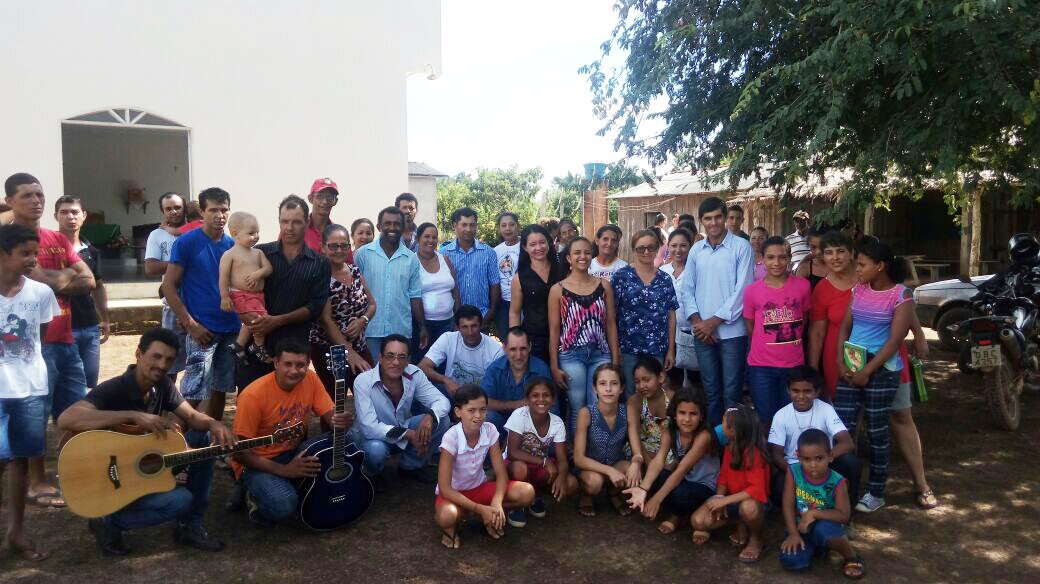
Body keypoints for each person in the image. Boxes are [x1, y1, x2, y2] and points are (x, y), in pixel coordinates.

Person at [58, 327, 233, 555]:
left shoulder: (163, 386)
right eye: (156, 356)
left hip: (142, 470)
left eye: (169, 360)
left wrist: (213, 423)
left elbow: (191, 416)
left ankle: (190, 526)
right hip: (110, 481)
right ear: (139, 354)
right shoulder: (115, 388)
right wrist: (133, 416)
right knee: (180, 500)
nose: (162, 365)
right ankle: (108, 520)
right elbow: (66, 418)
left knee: (204, 439)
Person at [5, 173, 95, 509]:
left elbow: (88, 280)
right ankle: (36, 480)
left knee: (75, 411)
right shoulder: (8, 240)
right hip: (31, 345)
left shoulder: (56, 238)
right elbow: (39, 281)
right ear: (10, 201)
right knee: (34, 414)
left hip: (66, 339)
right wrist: (65, 276)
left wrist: (56, 279)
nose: (36, 201)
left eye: (39, 194)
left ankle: (73, 470)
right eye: (27, 195)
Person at [230, 338, 350, 526]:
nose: (294, 371)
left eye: (300, 365)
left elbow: (332, 419)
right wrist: (285, 471)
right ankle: (252, 497)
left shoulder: (310, 379)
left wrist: (342, 421)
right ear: (276, 362)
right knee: (285, 504)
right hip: (258, 463)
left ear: (308, 364)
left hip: (294, 452)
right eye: (288, 364)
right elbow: (240, 454)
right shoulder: (252, 395)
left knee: (354, 436)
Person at [834, 239, 913, 513]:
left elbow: (895, 341)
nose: (857, 269)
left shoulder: (901, 295)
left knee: (876, 431)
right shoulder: (858, 289)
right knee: (842, 427)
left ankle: (876, 491)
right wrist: (840, 361)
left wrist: (868, 370)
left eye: (862, 264)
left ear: (880, 266)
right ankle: (842, 487)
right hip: (852, 362)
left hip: (882, 369)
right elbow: (845, 328)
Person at [0, 223, 59, 561]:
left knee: (21, 460)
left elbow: (41, 336)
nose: (32, 259)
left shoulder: (40, 293)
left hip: (31, 388)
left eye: (34, 253)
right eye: (24, 253)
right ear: (2, 254)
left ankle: (15, 534)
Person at [235, 196, 332, 391]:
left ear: (307, 222)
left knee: (290, 403)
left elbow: (315, 306)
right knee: (251, 398)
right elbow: (240, 289)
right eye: (285, 221)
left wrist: (278, 320)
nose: (289, 228)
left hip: (294, 350)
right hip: (257, 344)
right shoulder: (260, 254)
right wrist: (247, 316)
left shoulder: (319, 263)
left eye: (296, 222)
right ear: (279, 221)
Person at [161, 187, 238, 421]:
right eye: (213, 210)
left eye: (224, 210)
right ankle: (179, 441)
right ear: (202, 212)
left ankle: (213, 438)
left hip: (231, 329)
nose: (220, 215)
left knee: (220, 390)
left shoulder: (232, 245)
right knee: (193, 393)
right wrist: (190, 324)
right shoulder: (187, 243)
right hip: (202, 330)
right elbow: (168, 286)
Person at [681, 196, 753, 425]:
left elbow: (743, 291)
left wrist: (712, 323)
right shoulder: (696, 250)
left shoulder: (741, 247)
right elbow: (687, 289)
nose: (713, 223)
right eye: (708, 218)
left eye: (718, 217)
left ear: (725, 218)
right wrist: (699, 323)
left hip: (732, 333)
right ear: (701, 221)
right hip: (702, 333)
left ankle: (733, 442)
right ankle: (714, 440)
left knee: (732, 393)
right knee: (710, 392)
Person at [434, 384, 535, 549]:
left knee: (527, 493)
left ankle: (488, 515)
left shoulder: (489, 430)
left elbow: (501, 474)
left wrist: (497, 502)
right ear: (458, 412)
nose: (478, 415)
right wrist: (479, 508)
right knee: (447, 516)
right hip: (454, 494)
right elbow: (445, 488)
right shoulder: (451, 438)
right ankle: (456, 526)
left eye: (482, 410)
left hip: (479, 487)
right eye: (471, 410)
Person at [350, 334, 451, 486]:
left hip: (402, 427)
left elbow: (442, 401)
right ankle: (371, 474)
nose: (396, 362)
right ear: (380, 358)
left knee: (442, 420)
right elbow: (369, 428)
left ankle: (409, 465)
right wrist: (410, 434)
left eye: (402, 357)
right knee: (376, 450)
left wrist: (430, 416)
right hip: (371, 438)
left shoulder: (414, 373)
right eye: (390, 356)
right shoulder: (363, 381)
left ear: (408, 360)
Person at [548, 237, 621, 433]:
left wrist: (615, 358)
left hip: (600, 353)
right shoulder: (558, 290)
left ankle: (596, 447)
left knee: (598, 403)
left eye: (587, 252)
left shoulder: (604, 286)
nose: (583, 256)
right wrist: (554, 366)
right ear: (569, 258)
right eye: (577, 253)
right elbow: (554, 330)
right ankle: (577, 448)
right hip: (571, 355)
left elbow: (611, 324)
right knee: (577, 407)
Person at [625, 388, 720, 539]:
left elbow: (682, 470)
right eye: (682, 413)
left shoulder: (704, 436)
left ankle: (680, 514)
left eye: (693, 414)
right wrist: (643, 489)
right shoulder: (670, 430)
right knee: (653, 477)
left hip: (703, 486)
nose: (687, 419)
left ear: (701, 416)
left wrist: (656, 499)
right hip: (684, 480)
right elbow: (658, 461)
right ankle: (679, 513)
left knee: (679, 495)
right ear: (674, 414)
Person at [768, 366, 862, 507]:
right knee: (778, 487)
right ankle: (803, 507)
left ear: (816, 392)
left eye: (807, 391)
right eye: (795, 391)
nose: (801, 396)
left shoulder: (826, 409)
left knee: (851, 463)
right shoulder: (781, 415)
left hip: (825, 463)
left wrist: (823, 460)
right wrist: (798, 474)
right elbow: (776, 454)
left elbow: (847, 443)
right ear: (788, 390)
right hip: (795, 465)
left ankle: (847, 505)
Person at [778, 429, 864, 579]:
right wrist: (793, 534)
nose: (813, 465)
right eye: (806, 459)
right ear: (798, 456)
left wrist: (814, 513)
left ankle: (851, 556)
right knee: (791, 561)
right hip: (801, 528)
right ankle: (818, 549)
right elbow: (788, 504)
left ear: (830, 456)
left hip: (826, 526)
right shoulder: (793, 471)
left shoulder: (838, 482)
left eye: (819, 458)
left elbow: (844, 516)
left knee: (823, 530)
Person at [743, 236, 811, 424]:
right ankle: (768, 445)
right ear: (762, 259)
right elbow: (750, 325)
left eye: (782, 257)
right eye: (771, 257)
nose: (776, 263)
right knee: (766, 419)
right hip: (761, 367)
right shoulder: (751, 291)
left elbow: (804, 319)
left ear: (789, 258)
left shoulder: (803, 286)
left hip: (793, 365)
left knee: (791, 419)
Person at [690, 405, 770, 562]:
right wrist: (719, 497)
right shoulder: (730, 446)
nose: (721, 426)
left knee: (748, 507)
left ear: (734, 430)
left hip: (755, 502)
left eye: (724, 423)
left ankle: (756, 539)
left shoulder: (754, 453)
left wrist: (725, 501)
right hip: (732, 499)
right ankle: (740, 523)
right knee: (697, 521)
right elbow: (724, 477)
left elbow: (756, 489)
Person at [309, 223, 375, 400]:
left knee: (371, 392)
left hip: (359, 345)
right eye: (333, 246)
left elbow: (372, 305)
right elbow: (326, 321)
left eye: (344, 245)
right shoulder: (319, 277)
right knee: (335, 400)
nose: (339, 250)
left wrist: (362, 320)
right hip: (329, 350)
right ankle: (334, 421)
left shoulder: (354, 270)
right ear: (323, 247)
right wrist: (349, 353)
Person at [503, 377, 577, 527]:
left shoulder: (557, 422)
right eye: (535, 395)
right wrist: (544, 461)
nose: (541, 399)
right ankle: (517, 504)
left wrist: (562, 477)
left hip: (537, 464)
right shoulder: (520, 415)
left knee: (571, 483)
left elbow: (562, 459)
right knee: (520, 469)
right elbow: (512, 452)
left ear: (553, 400)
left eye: (546, 395)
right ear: (527, 400)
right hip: (514, 463)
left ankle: (533, 497)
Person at [613, 229, 678, 396]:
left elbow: (671, 315)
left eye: (651, 247)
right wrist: (615, 348)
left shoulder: (665, 279)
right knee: (630, 393)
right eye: (641, 248)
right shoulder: (621, 277)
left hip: (656, 347)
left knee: (654, 394)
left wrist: (671, 349)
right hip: (628, 347)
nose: (646, 252)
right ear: (634, 250)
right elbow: (612, 315)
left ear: (657, 249)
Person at [54, 196, 110, 389]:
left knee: (89, 383)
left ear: (84, 215)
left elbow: (98, 287)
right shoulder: (46, 249)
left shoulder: (91, 251)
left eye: (75, 212)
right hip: (59, 326)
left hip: (89, 325)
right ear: (56, 216)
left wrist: (105, 319)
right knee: (64, 384)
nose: (70, 217)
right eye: (64, 212)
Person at [354, 206, 424, 358]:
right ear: (379, 226)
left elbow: (415, 296)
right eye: (387, 223)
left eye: (397, 224)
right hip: (370, 330)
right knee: (371, 372)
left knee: (398, 372)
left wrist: (422, 326)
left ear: (403, 227)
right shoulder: (363, 254)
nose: (392, 228)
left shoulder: (411, 259)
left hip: (400, 331)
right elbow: (354, 291)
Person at [573, 363, 633, 517]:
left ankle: (613, 493)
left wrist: (637, 462)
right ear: (595, 388)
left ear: (621, 388)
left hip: (616, 463)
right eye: (602, 384)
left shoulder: (627, 411)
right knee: (594, 482)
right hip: (590, 468)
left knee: (632, 469)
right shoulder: (586, 413)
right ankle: (586, 495)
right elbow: (578, 458)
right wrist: (609, 471)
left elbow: (636, 449)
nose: (608, 389)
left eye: (614, 384)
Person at [808, 230, 858, 400]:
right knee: (841, 405)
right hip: (836, 356)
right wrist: (813, 370)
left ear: (851, 253)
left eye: (840, 251)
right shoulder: (822, 288)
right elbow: (817, 332)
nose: (835, 257)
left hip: (875, 351)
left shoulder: (867, 280)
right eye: (829, 252)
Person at [219, 212, 274, 364]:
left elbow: (268, 268)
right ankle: (258, 346)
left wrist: (258, 274)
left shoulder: (258, 253)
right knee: (259, 320)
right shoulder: (230, 254)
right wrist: (224, 297)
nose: (256, 236)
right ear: (235, 234)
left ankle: (239, 345)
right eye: (251, 233)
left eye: (257, 232)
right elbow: (223, 277)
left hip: (257, 296)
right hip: (240, 295)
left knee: (251, 322)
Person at [144, 192, 187, 381]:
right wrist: (181, 265)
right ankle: (166, 397)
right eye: (168, 208)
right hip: (173, 301)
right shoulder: (157, 235)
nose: (173, 212)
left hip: (201, 301)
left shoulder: (198, 231)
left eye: (177, 207)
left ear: (184, 207)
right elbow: (151, 267)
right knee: (169, 358)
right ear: (162, 211)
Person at [509, 224, 567, 363]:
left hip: (565, 336)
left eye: (542, 242)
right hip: (534, 339)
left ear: (549, 242)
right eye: (533, 244)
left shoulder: (563, 270)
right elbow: (515, 313)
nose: (539, 248)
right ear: (525, 247)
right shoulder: (519, 278)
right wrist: (515, 339)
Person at [480, 327, 553, 434]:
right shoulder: (495, 369)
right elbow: (482, 402)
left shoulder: (541, 369)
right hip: (501, 424)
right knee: (487, 416)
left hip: (531, 427)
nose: (518, 356)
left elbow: (552, 408)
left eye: (523, 349)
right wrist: (516, 404)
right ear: (505, 348)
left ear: (530, 347)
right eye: (513, 349)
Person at [419, 305, 504, 396]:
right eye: (464, 327)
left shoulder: (496, 350)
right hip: (452, 393)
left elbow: (498, 386)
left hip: (481, 397)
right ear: (457, 328)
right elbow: (422, 366)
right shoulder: (448, 338)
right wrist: (445, 380)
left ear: (481, 325)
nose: (470, 332)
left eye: (474, 326)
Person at [440, 208, 499, 323]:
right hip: (453, 318)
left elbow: (494, 284)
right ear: (454, 225)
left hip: (482, 316)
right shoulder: (443, 254)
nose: (468, 229)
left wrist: (491, 312)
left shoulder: (488, 253)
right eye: (464, 225)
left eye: (472, 225)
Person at [414, 222, 459, 361]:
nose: (431, 240)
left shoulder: (444, 259)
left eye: (434, 237)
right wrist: (422, 326)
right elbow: (413, 297)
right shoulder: (412, 262)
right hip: (424, 325)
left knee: (445, 362)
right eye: (427, 236)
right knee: (424, 361)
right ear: (418, 239)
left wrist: (458, 319)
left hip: (448, 322)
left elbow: (455, 290)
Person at [660, 228, 699, 387]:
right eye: (674, 245)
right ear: (668, 246)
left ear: (690, 246)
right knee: (672, 377)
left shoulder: (696, 271)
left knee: (695, 377)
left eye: (683, 245)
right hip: (667, 333)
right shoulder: (662, 271)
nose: (678, 250)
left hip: (692, 331)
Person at [625, 357, 673, 472]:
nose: (641, 385)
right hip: (640, 449)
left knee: (670, 465)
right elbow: (633, 432)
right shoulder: (634, 402)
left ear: (660, 377)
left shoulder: (672, 398)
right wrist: (648, 462)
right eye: (637, 382)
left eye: (646, 380)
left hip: (667, 449)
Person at [302, 178, 351, 262]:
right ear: (310, 198)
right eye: (320, 196)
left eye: (329, 197)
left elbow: (348, 265)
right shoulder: (297, 229)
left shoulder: (339, 234)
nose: (325, 201)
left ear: (335, 201)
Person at [493, 212, 521, 338]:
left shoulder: (526, 246)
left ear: (518, 226)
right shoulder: (495, 251)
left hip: (524, 301)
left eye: (511, 224)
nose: (508, 228)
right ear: (499, 229)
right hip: (503, 303)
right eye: (503, 225)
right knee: (507, 339)